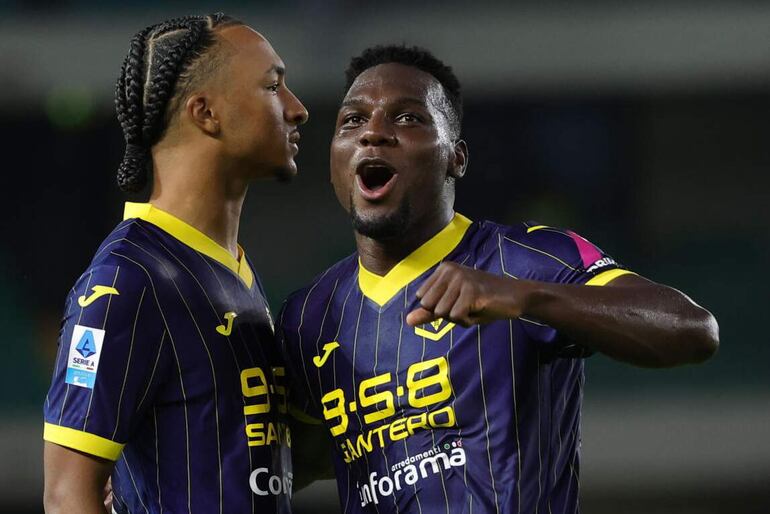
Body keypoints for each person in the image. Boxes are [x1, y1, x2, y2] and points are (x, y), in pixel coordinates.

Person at [278, 45, 718, 513]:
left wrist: (525, 297)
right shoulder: (309, 316)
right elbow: (294, 463)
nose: (373, 134)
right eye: (352, 121)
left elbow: (692, 331)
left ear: (456, 158)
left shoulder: (526, 260)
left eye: (407, 119)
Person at [42, 13, 308, 514]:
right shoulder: (126, 280)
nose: (298, 109)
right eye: (273, 87)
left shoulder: (230, 272)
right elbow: (66, 497)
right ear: (206, 113)